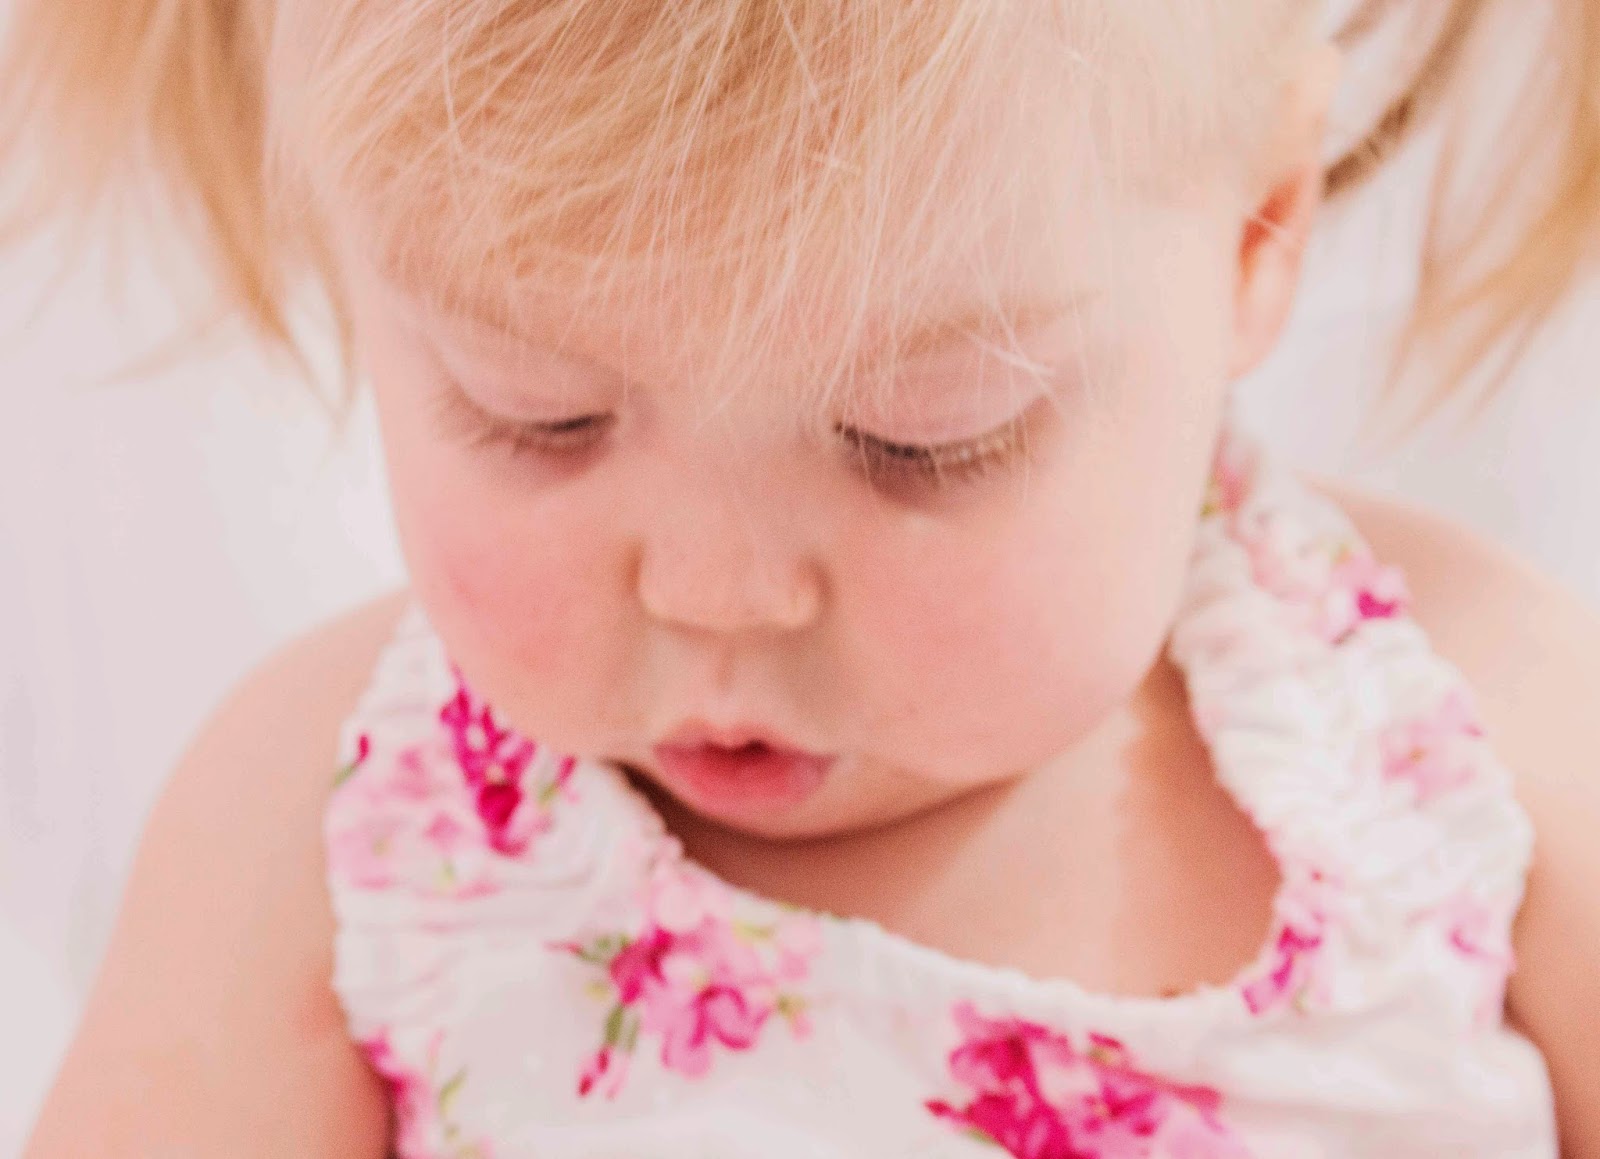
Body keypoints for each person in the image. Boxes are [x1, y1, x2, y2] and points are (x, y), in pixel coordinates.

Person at [6, 0, 1598, 1154]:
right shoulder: (336, 829)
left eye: (924, 440)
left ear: (1259, 231)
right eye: (536, 415)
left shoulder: (1465, 737)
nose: (720, 593)